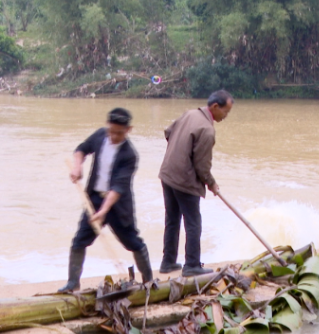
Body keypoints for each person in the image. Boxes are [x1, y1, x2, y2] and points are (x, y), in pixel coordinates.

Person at [59, 108, 153, 292]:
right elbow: (81, 150)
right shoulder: (101, 136)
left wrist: (103, 211)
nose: (113, 136)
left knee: (133, 243)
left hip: (118, 206)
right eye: (111, 131)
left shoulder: (129, 155)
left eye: (119, 133)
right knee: (79, 241)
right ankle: (72, 283)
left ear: (128, 130)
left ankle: (148, 281)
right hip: (93, 199)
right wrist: (77, 167)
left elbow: (118, 188)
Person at [158, 90, 233, 277]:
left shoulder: (189, 114)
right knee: (193, 222)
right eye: (226, 112)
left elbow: (168, 133)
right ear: (215, 107)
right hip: (184, 180)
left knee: (172, 219)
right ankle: (191, 264)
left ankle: (168, 262)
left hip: (168, 173)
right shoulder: (207, 131)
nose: (226, 116)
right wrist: (212, 184)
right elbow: (202, 166)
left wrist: (179, 153)